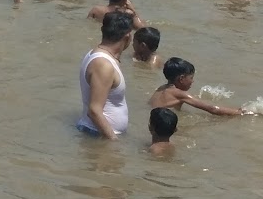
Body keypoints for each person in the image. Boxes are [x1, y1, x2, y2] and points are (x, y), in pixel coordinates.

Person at [77, 11, 136, 139]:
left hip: (99, 134)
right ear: (127, 37)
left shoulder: (100, 55)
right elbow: (94, 111)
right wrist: (113, 142)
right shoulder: (103, 65)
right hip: (99, 136)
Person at [148, 58, 249, 118]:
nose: (193, 81)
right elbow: (212, 109)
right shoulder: (179, 93)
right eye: (191, 78)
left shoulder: (162, 88)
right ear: (182, 79)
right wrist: (240, 112)